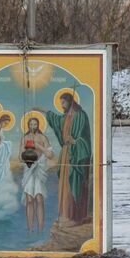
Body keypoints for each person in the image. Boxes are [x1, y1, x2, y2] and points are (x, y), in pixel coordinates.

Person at [42, 90, 92, 224]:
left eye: (64, 102)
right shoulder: (64, 117)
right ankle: (65, 215)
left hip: (76, 153)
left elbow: (85, 137)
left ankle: (74, 216)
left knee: (72, 185)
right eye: (61, 102)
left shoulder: (81, 115)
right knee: (64, 186)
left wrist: (75, 141)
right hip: (65, 153)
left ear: (70, 101)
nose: (62, 105)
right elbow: (55, 119)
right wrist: (43, 111)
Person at [18, 115, 55, 232]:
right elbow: (20, 157)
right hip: (29, 168)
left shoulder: (42, 137)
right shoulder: (25, 138)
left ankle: (40, 228)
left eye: (35, 124)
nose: (33, 126)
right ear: (28, 125)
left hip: (39, 169)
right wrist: (26, 154)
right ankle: (30, 229)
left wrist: (37, 145)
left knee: (39, 198)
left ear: (38, 125)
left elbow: (50, 155)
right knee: (29, 199)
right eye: (31, 124)